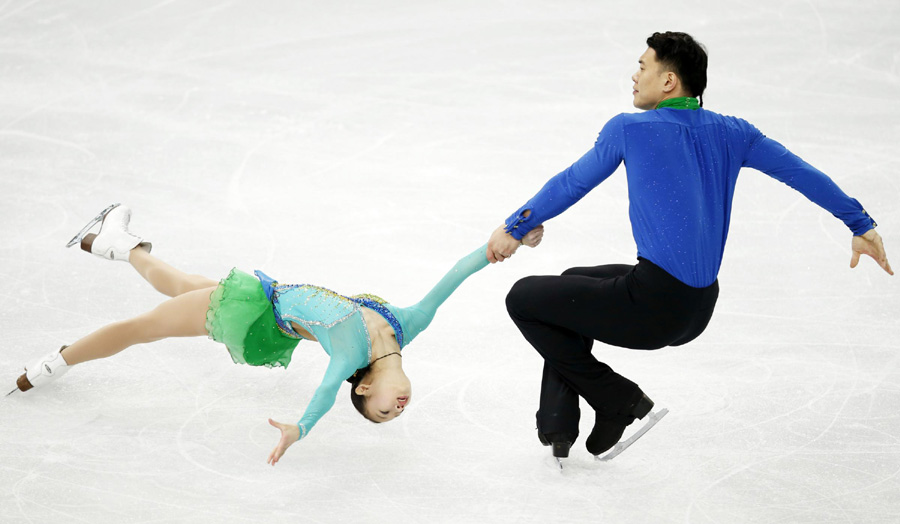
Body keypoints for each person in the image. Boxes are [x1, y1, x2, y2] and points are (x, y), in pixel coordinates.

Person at [486, 31, 893, 459]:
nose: (634, 74)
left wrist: (515, 227)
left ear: (668, 81)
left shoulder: (629, 129)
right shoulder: (735, 131)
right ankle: (559, 425)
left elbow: (572, 182)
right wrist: (860, 224)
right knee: (571, 284)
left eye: (643, 66)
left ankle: (616, 399)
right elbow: (802, 173)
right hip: (698, 308)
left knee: (524, 298)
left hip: (651, 306)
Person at [10, 203, 543, 466]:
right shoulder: (408, 325)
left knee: (142, 328)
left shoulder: (350, 355)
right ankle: (120, 243)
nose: (396, 409)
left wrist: (300, 429)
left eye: (382, 411)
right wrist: (511, 234)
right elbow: (456, 274)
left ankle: (54, 362)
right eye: (394, 413)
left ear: (363, 389)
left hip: (252, 312)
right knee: (176, 286)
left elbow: (324, 391)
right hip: (265, 293)